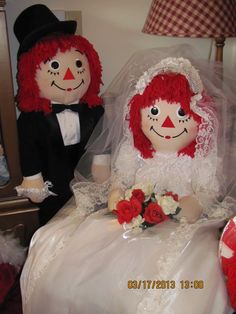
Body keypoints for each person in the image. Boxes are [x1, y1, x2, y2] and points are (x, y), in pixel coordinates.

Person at [20, 46, 236, 314]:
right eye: (154, 114)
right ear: (138, 114)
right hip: (130, 220)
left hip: (180, 225)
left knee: (182, 275)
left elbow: (206, 191)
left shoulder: (200, 158)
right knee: (76, 256)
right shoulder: (133, 150)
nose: (167, 123)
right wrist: (117, 194)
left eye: (181, 114)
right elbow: (120, 179)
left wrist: (193, 204)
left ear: (201, 118)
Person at [13, 5, 104, 224]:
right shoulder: (31, 119)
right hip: (54, 188)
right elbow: (28, 150)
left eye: (78, 64)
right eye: (54, 66)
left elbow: (102, 139)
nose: (70, 74)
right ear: (29, 73)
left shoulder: (94, 109)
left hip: (88, 187)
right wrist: (33, 179)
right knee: (52, 226)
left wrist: (102, 163)